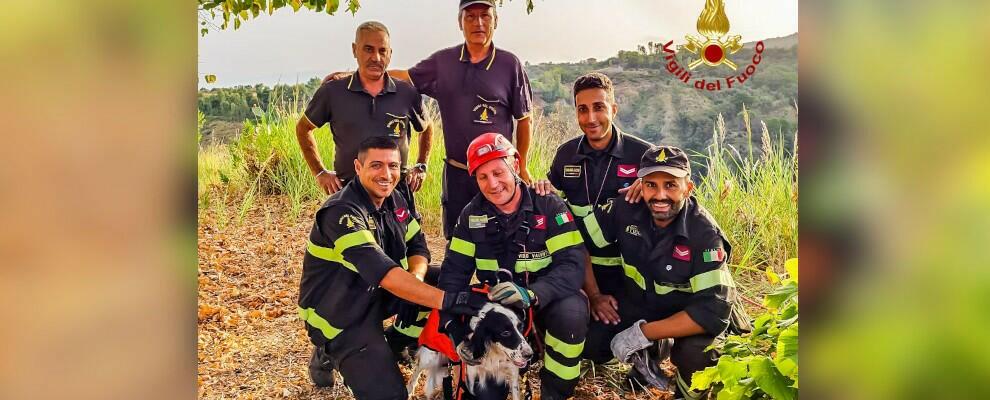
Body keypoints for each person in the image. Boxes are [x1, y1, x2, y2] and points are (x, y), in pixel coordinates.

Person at [297, 137, 488, 399]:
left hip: (377, 293)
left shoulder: (395, 198)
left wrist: (416, 280)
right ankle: (329, 350)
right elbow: (383, 273)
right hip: (340, 313)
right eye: (376, 165)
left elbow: (418, 247)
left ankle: (395, 342)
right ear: (357, 167)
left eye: (393, 166)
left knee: (442, 280)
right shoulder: (342, 212)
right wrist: (448, 301)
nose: (386, 175)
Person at [326, 0, 534, 240]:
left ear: (495, 21)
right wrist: (355, 75)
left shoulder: (510, 64)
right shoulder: (444, 62)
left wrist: (524, 165)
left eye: (485, 16)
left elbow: (524, 119)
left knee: (505, 238)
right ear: (460, 22)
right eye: (470, 17)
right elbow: (407, 77)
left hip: (497, 173)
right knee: (458, 240)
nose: (478, 23)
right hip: (458, 173)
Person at [438, 133, 588, 400]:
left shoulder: (549, 205)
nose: (493, 184)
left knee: (572, 313)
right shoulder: (471, 215)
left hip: (547, 300)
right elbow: (453, 273)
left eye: (498, 172)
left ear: (515, 166)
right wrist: (454, 328)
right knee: (484, 393)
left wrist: (532, 294)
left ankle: (555, 391)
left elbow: (572, 265)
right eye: (483, 177)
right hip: (499, 311)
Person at [579, 146, 737, 400]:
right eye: (651, 185)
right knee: (591, 340)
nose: (660, 195)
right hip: (641, 303)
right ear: (640, 186)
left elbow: (713, 312)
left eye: (671, 185)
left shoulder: (704, 235)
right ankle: (651, 354)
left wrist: (642, 334)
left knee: (698, 353)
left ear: (688, 188)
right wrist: (595, 295)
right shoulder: (625, 208)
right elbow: (578, 241)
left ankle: (687, 394)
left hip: (688, 316)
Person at [531, 72, 653, 334]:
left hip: (631, 273)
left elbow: (678, 200)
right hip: (582, 270)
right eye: (582, 110)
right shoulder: (566, 154)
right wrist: (542, 189)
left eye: (599, 108)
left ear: (614, 109)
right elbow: (553, 201)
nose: (590, 119)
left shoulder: (643, 154)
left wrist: (652, 188)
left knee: (635, 329)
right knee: (589, 343)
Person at [296, 21, 434, 201]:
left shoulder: (406, 93)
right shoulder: (333, 92)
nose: (376, 57)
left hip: (397, 195)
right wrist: (320, 172)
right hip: (349, 195)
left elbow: (427, 127)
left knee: (409, 231)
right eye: (368, 49)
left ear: (390, 54)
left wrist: (421, 165)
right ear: (355, 50)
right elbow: (303, 128)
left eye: (382, 50)